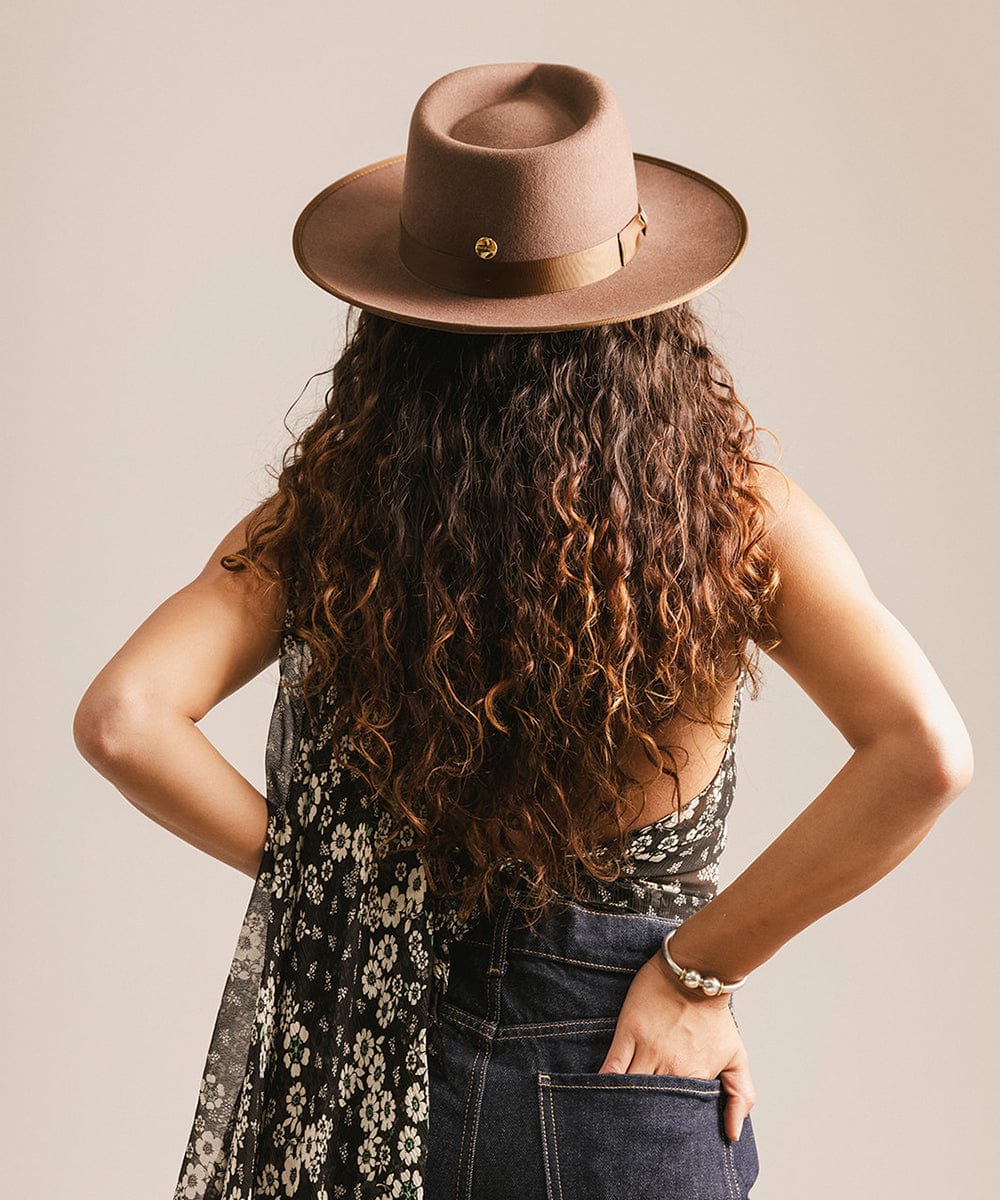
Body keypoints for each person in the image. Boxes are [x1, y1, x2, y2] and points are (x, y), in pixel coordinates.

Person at [73, 62, 974, 1200]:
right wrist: (698, 974)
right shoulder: (736, 515)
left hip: (380, 1074)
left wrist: (324, 879)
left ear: (399, 318)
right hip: (625, 1059)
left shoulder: (332, 513)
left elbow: (123, 718)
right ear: (647, 300)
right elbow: (924, 753)